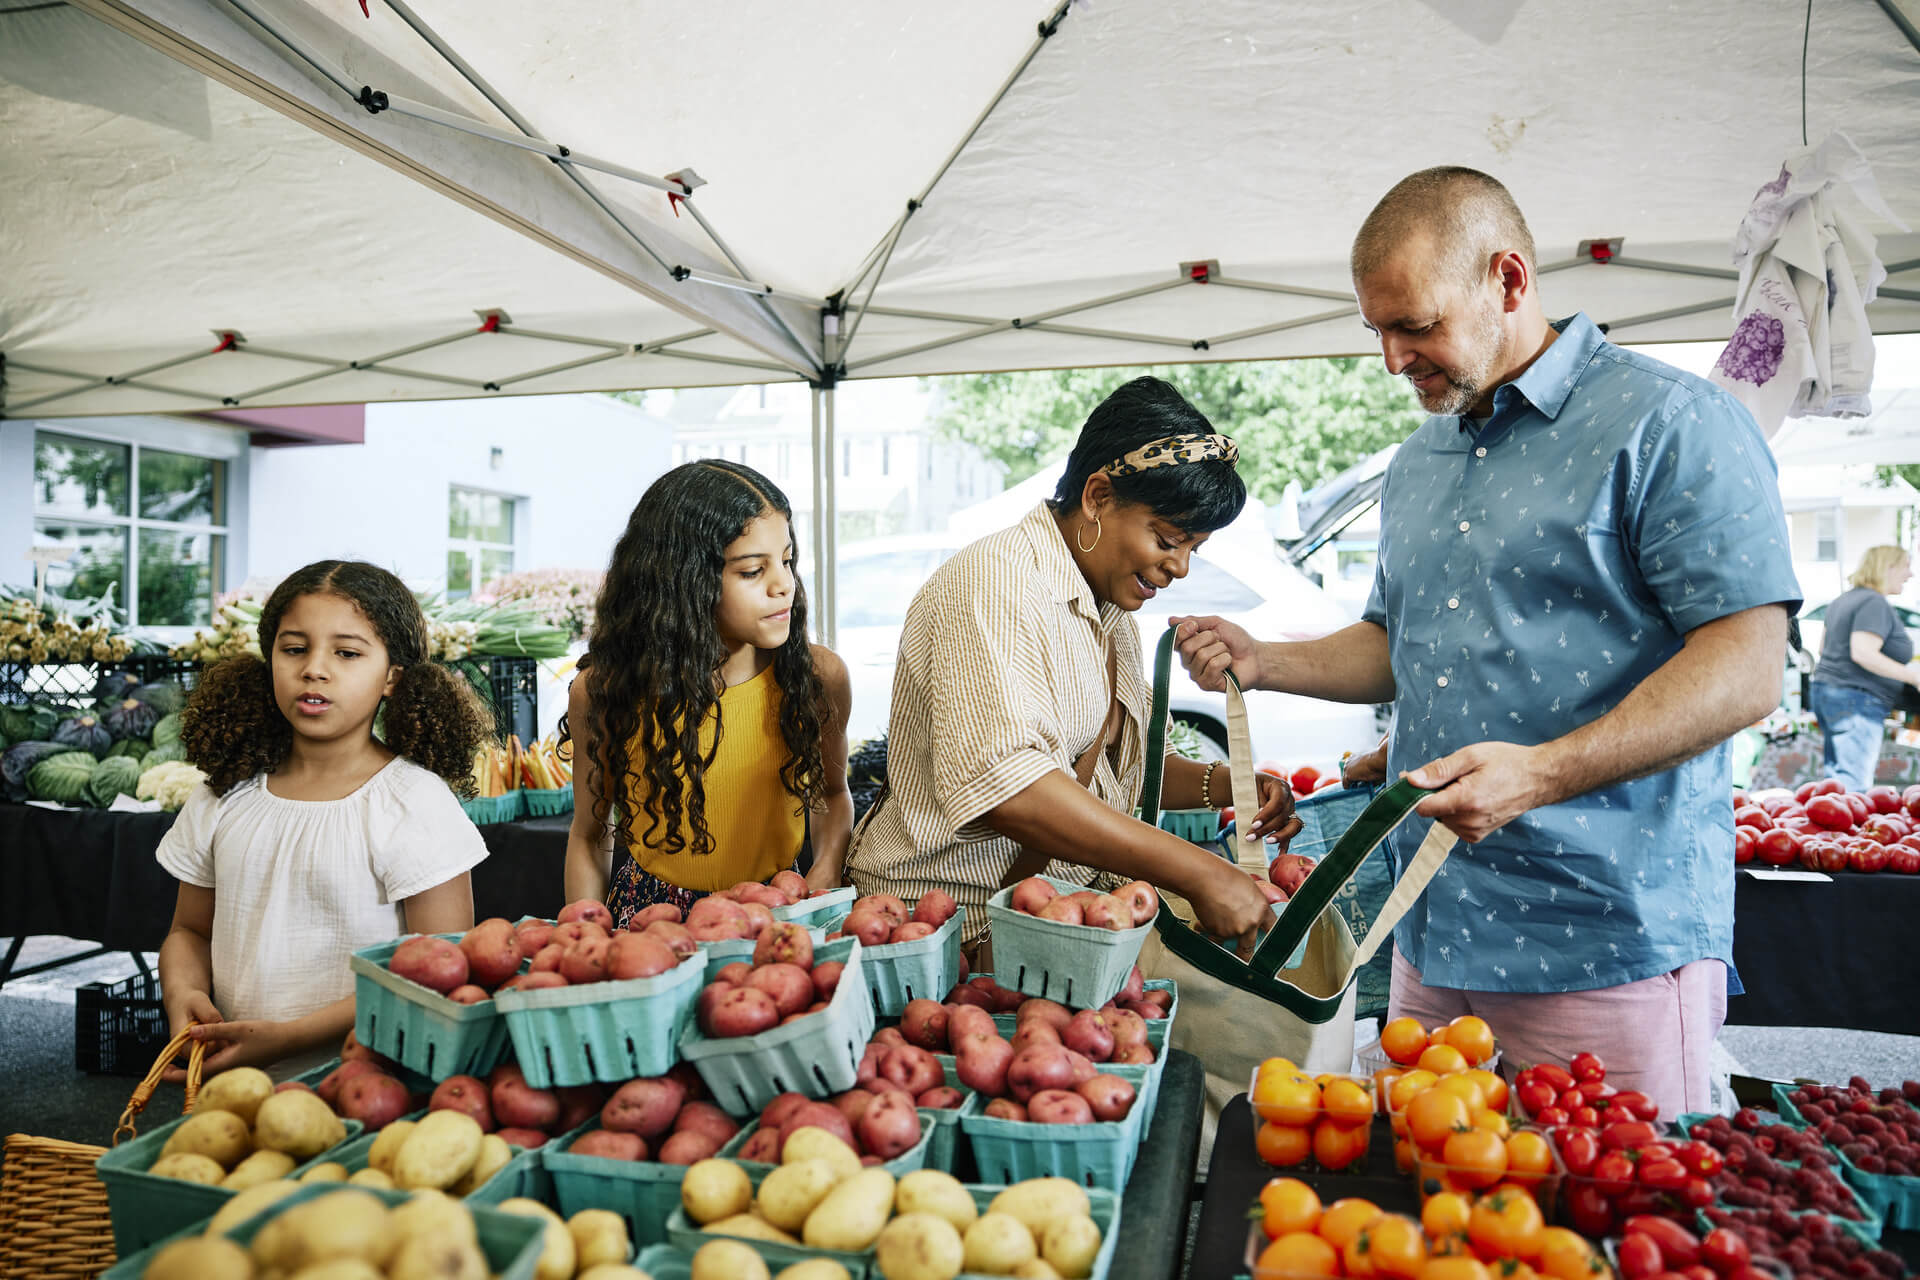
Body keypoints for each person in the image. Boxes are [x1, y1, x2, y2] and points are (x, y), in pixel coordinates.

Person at [1174, 167, 1800, 1116]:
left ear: (1508, 279)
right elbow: (1396, 641)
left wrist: (1542, 774)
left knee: (1612, 1230)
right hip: (1432, 933)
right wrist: (1267, 662)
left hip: (1603, 938)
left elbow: (1748, 668)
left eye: (1415, 325)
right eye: (1376, 331)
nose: (1392, 359)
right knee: (1431, 1225)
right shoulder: (1421, 459)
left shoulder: (1670, 423)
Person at [844, 377, 1298, 960]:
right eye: (1167, 539)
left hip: (1051, 919)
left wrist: (1231, 786)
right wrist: (1199, 872)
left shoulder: (1109, 611)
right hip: (945, 935)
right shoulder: (994, 586)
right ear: (1097, 496)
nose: (1180, 567)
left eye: (1194, 549)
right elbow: (1014, 791)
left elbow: (1119, 769)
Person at [159, 560, 493, 1075]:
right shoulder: (224, 792)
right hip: (231, 1085)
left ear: (391, 678)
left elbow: (436, 973)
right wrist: (183, 991)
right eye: (294, 649)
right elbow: (188, 930)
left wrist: (287, 1039)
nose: (314, 668)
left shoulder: (414, 802)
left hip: (368, 1089)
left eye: (346, 653)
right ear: (268, 659)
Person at [561, 461, 854, 925]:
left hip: (776, 912)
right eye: (754, 570)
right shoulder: (603, 692)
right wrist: (584, 933)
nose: (785, 585)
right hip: (650, 921)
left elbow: (834, 795)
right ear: (684, 581)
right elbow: (588, 834)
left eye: (788, 559)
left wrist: (824, 870)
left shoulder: (817, 677)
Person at [1809, 545, 1920, 789]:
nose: (1910, 574)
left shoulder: (1843, 600)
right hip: (1856, 701)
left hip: (1828, 692)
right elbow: (1862, 652)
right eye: (1905, 566)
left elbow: (1822, 648)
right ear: (1887, 568)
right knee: (1853, 784)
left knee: (1836, 782)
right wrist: (1913, 678)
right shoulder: (1874, 603)